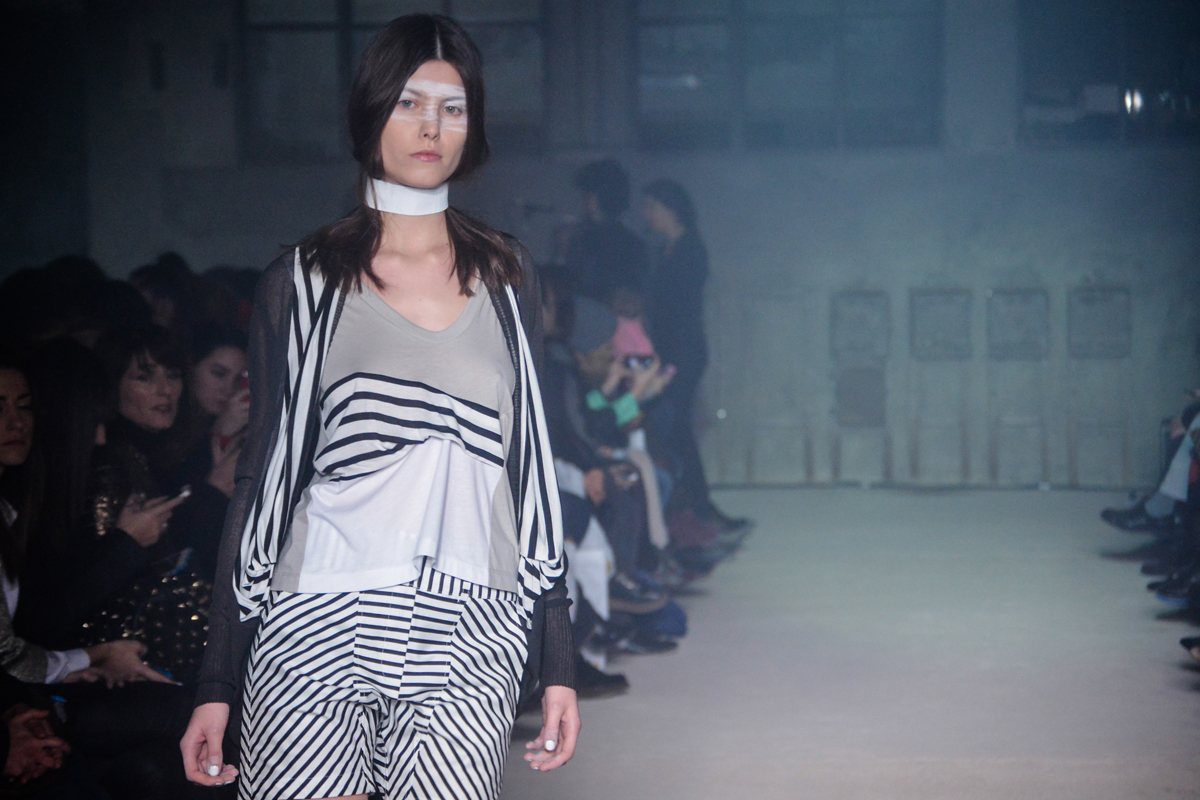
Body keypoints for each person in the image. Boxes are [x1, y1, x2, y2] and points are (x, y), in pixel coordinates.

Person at [180, 15, 579, 798]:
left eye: (452, 108)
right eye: (409, 102)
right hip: (317, 614)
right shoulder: (302, 281)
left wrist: (557, 657)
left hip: (473, 625)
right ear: (371, 112)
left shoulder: (509, 277)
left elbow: (532, 463)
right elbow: (262, 477)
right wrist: (217, 678)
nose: (431, 126)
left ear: (473, 125)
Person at [642, 178, 748, 536]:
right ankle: (693, 505)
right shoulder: (668, 249)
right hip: (672, 349)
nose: (647, 215)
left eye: (652, 207)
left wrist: (668, 360)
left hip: (681, 350)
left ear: (670, 209)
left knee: (677, 426)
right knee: (675, 427)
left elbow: (682, 311)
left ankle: (697, 506)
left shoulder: (689, 249)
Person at [563, 159, 650, 307]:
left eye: (588, 195)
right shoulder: (633, 242)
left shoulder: (584, 240)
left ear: (599, 197)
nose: (583, 200)